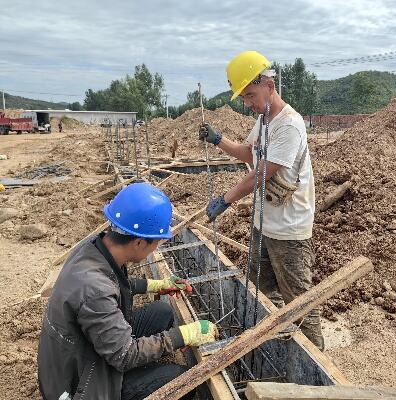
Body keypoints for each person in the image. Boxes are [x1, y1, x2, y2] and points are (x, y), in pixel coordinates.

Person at [37, 183, 218, 400]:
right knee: (181, 381)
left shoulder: (95, 248)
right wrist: (184, 335)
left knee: (161, 312)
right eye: (157, 242)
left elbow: (113, 283)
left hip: (87, 352)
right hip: (80, 383)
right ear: (140, 242)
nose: (156, 247)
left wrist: (155, 285)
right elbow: (124, 355)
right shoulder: (94, 289)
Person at [199, 50, 324, 350]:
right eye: (243, 98)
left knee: (299, 301)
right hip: (264, 221)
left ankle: (318, 363)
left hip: (289, 228)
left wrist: (225, 200)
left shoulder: (289, 125)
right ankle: (273, 343)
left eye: (251, 95)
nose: (248, 103)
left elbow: (260, 174)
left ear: (269, 85)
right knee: (260, 291)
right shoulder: (264, 119)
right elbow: (249, 154)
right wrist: (219, 140)